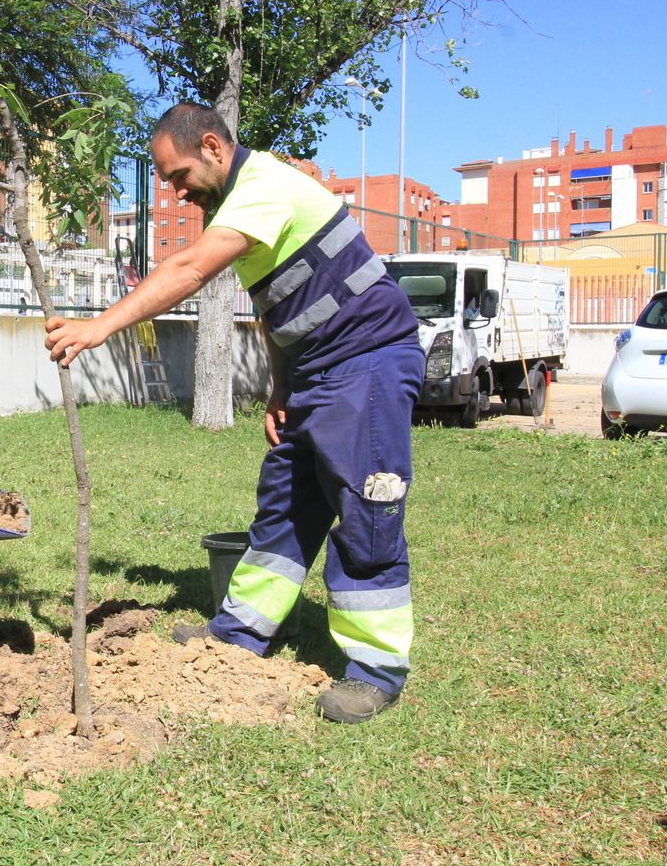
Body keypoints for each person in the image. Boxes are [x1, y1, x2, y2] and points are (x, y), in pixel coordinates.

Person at [44, 102, 424, 724]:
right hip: (315, 372)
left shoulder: (263, 187)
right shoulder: (239, 203)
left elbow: (189, 268)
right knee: (286, 505)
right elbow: (277, 307)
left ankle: (376, 670)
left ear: (213, 147)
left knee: (366, 510)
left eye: (178, 175)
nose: (176, 191)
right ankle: (241, 634)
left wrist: (99, 326)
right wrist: (281, 388)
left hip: (368, 362)